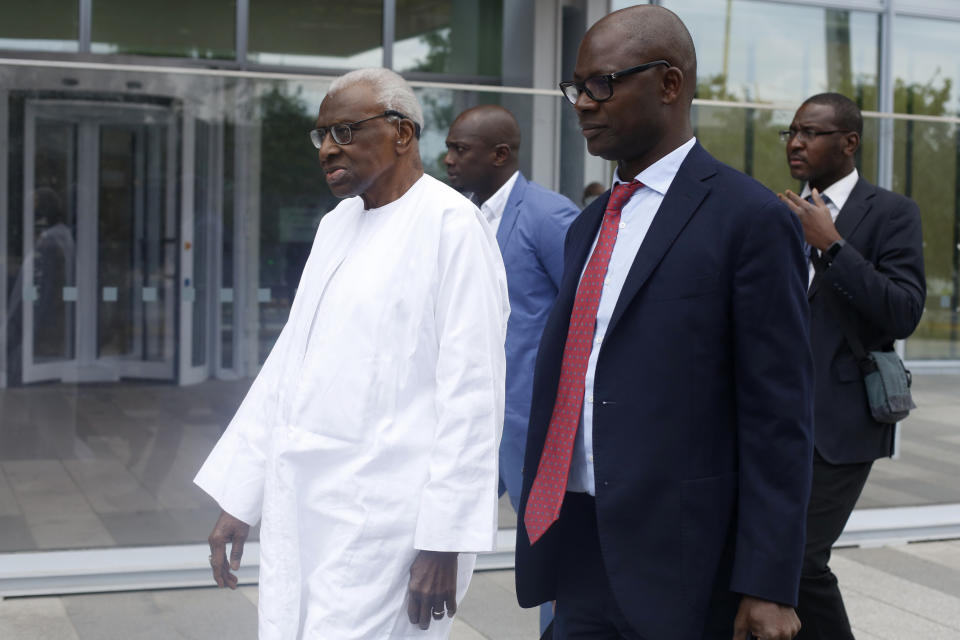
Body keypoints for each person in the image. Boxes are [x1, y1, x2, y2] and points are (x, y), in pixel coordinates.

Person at [514, 6, 814, 640]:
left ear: (669, 84)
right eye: (576, 88)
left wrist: (767, 581)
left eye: (602, 84)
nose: (583, 105)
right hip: (578, 541)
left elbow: (778, 415)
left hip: (686, 565)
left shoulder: (749, 219)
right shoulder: (589, 226)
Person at [194, 68, 510, 640]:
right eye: (321, 136)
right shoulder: (337, 225)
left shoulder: (452, 228)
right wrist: (242, 496)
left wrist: (444, 541)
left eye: (344, 130)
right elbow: (289, 365)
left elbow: (474, 394)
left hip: (387, 523)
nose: (327, 149)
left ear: (402, 133)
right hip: (306, 509)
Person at [777, 93, 926, 640]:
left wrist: (834, 246)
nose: (796, 142)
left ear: (849, 142)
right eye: (791, 132)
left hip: (840, 424)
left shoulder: (890, 212)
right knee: (763, 562)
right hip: (774, 418)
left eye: (810, 132)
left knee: (801, 562)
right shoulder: (779, 211)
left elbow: (904, 311)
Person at [444, 104, 578, 634]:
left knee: (552, 558)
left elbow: (584, 321)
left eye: (460, 149)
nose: (448, 158)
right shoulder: (460, 217)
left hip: (531, 429)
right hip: (475, 421)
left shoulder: (550, 216)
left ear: (500, 154)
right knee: (430, 535)